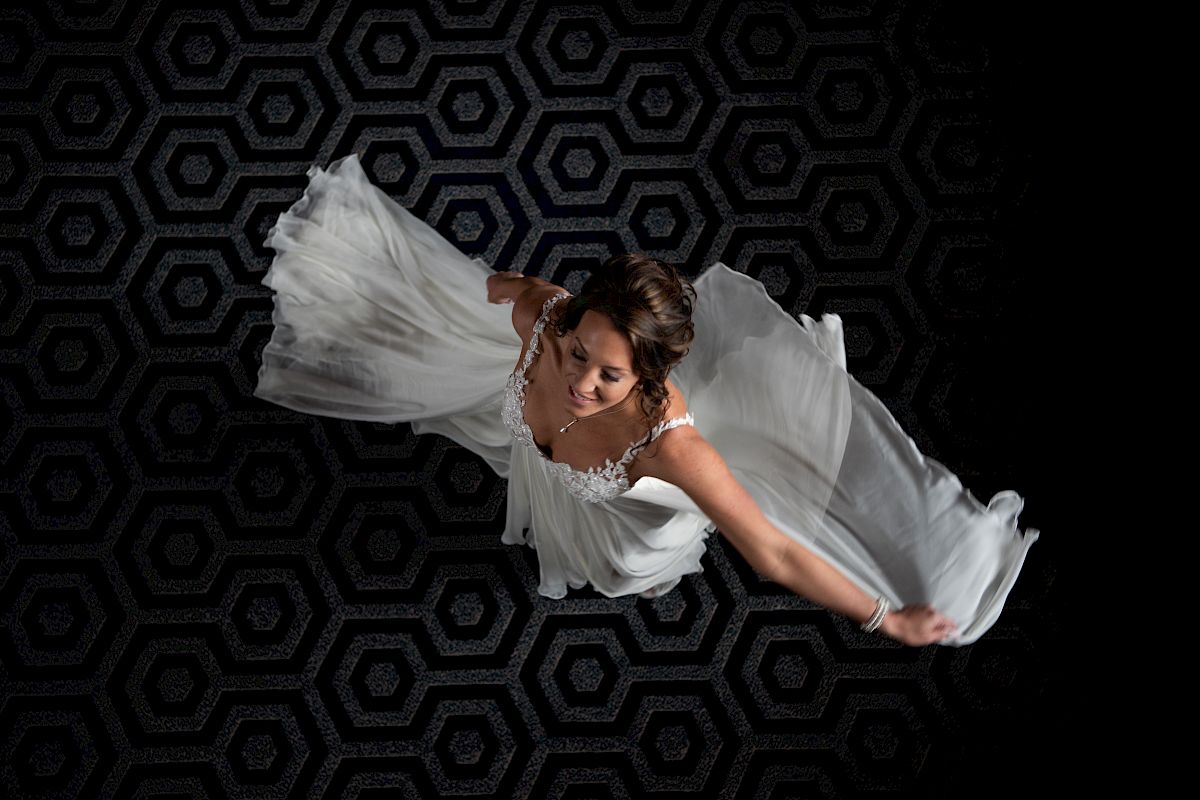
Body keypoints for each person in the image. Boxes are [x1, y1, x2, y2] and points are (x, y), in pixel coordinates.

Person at [255, 154, 1039, 649]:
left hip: (623, 526)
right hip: (544, 469)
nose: (579, 383)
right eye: (578, 355)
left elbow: (773, 555)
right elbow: (494, 290)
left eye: (610, 378)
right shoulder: (546, 314)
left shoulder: (676, 449)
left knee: (625, 567)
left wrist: (885, 618)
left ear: (651, 379)